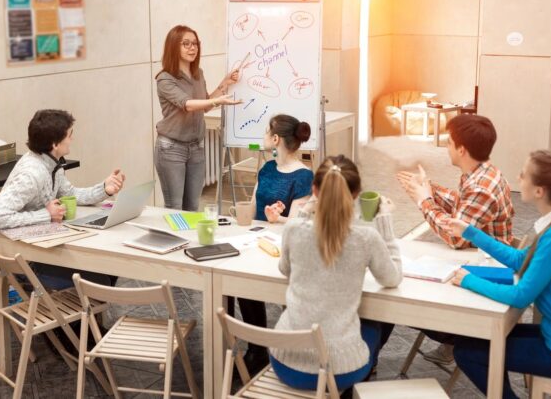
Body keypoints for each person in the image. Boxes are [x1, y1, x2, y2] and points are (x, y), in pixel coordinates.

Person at [443, 150, 551, 399]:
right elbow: (520, 259)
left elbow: (520, 296)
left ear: (539, 191)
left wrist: (468, 280)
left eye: (523, 174)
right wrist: (471, 232)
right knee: (477, 341)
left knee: (467, 353)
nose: (518, 177)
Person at [269, 155, 402, 392]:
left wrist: (304, 211)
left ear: (315, 190)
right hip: (340, 370)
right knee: (372, 323)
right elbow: (392, 279)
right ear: (356, 194)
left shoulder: (294, 229)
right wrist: (384, 222)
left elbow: (284, 269)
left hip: (285, 363)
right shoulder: (365, 238)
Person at [395, 114, 514, 363]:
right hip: (477, 260)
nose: (446, 147)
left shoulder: (481, 187)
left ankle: (456, 338)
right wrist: (430, 187)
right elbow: (463, 207)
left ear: (461, 149)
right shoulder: (482, 173)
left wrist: (423, 200)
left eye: (448, 142)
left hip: (483, 275)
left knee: (397, 294)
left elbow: (455, 238)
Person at [0, 109, 125, 288]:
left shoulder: (53, 164)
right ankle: (79, 314)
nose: (72, 139)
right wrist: (46, 215)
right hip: (26, 263)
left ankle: (83, 315)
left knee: (107, 272)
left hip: (42, 250)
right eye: (69, 135)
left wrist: (105, 189)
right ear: (55, 144)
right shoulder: (31, 175)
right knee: (101, 280)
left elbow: (70, 194)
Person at [237, 114, 314, 373]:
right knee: (237, 278)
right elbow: (252, 205)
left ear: (275, 138)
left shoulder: (304, 176)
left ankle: (282, 348)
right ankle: (256, 348)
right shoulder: (267, 168)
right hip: (255, 239)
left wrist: (276, 218)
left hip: (282, 247)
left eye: (266, 131)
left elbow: (296, 224)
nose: (263, 136)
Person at [155, 24, 241, 211]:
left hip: (196, 147)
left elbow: (204, 105)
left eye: (195, 44)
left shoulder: (197, 74)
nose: (192, 48)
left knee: (193, 206)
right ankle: (173, 240)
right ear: (173, 46)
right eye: (186, 44)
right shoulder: (165, 79)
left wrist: (224, 84)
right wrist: (218, 101)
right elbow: (187, 104)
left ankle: (190, 240)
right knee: (175, 207)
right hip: (171, 149)